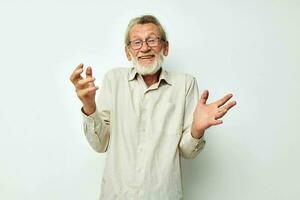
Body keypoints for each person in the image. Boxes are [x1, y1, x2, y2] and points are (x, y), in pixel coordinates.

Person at [70, 14, 236, 200]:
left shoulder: (185, 84)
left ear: (165, 47)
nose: (145, 48)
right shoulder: (114, 80)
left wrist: (197, 130)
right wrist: (89, 106)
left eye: (152, 40)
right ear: (128, 52)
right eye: (137, 42)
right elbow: (100, 145)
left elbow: (188, 152)